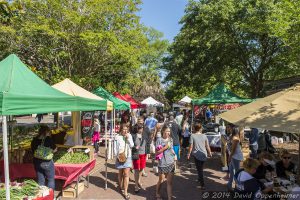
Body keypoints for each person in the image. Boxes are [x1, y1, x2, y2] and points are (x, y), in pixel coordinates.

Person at [31, 125, 57, 190]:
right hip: (47, 162)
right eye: (49, 132)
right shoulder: (48, 139)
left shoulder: (34, 140)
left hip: (37, 162)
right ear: (46, 132)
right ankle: (50, 197)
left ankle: (42, 196)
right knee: (50, 179)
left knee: (40, 180)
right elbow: (55, 149)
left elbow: (33, 150)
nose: (49, 133)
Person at [187, 123, 212, 189]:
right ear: (200, 128)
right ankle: (199, 178)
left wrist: (188, 154)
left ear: (194, 129)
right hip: (204, 154)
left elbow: (191, 146)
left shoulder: (192, 136)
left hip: (197, 155)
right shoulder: (204, 135)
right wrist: (210, 153)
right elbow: (207, 146)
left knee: (199, 170)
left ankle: (202, 184)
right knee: (200, 168)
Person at [155, 126, 176, 200]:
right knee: (161, 180)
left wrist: (175, 155)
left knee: (169, 182)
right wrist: (165, 147)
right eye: (167, 131)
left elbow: (172, 149)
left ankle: (169, 198)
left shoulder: (170, 139)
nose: (168, 133)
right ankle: (157, 193)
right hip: (162, 163)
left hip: (170, 162)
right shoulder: (159, 140)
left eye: (169, 131)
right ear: (163, 131)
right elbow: (157, 152)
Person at [115, 124, 134, 200]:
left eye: (126, 129)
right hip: (120, 157)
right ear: (121, 129)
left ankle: (125, 192)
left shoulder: (129, 135)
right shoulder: (117, 137)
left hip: (128, 157)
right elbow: (115, 148)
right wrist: (117, 156)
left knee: (126, 174)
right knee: (120, 173)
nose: (125, 131)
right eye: (124, 129)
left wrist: (128, 138)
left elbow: (132, 145)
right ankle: (120, 186)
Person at [132, 125, 147, 193]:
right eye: (140, 128)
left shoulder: (144, 135)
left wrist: (147, 153)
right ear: (137, 129)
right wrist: (135, 147)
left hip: (143, 154)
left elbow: (147, 144)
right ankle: (136, 185)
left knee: (141, 168)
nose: (141, 129)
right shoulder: (134, 136)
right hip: (136, 155)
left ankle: (138, 180)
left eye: (142, 128)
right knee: (136, 170)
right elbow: (131, 145)